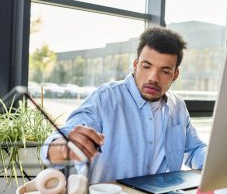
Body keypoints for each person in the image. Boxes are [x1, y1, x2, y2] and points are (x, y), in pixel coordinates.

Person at [40, 26, 207, 183]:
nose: (153, 78)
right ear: (135, 65)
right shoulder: (106, 99)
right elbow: (51, 146)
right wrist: (64, 148)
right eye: (146, 66)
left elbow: (193, 150)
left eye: (165, 71)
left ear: (175, 74)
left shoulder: (178, 107)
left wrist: (221, 159)